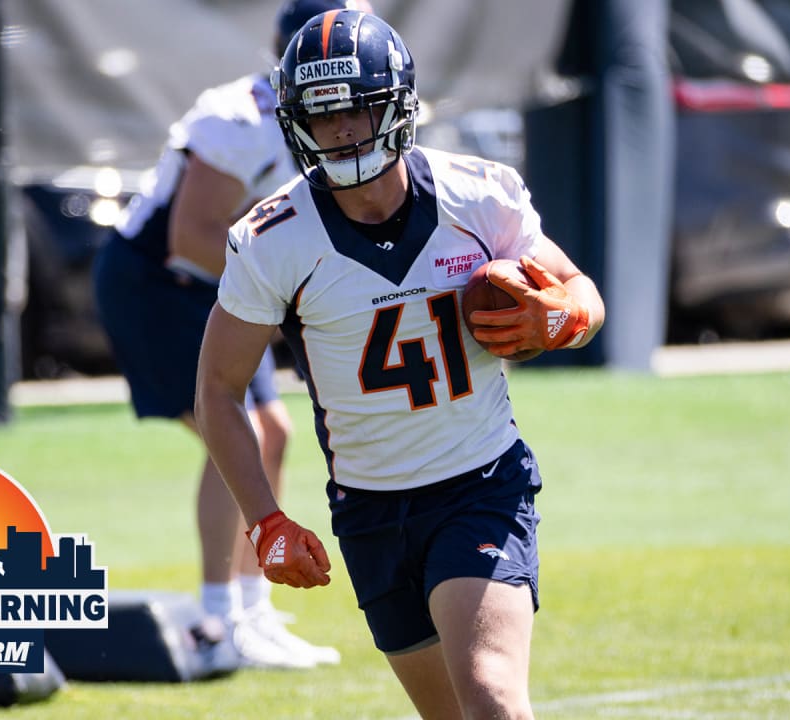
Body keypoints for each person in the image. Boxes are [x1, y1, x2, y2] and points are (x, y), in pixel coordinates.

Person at [195, 9, 604, 717]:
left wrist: (561, 318)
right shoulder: (273, 238)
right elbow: (219, 387)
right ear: (297, 123)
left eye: (359, 107)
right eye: (323, 115)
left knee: (493, 698)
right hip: (370, 509)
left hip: (480, 486)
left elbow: (581, 292)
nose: (343, 129)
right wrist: (264, 521)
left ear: (399, 104)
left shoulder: (479, 194)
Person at [92, 0, 366, 670]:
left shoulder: (322, 118)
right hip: (160, 284)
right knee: (231, 437)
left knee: (273, 433)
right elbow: (190, 238)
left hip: (224, 284)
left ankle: (251, 607)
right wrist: (296, 289)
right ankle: (218, 617)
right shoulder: (240, 118)